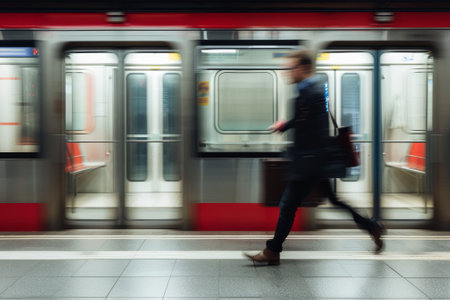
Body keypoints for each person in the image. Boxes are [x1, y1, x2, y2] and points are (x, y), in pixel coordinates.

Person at [245, 50, 385, 266]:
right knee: (334, 201)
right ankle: (372, 226)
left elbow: (309, 126)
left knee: (287, 205)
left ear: (303, 68)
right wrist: (286, 125)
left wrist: (289, 128)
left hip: (310, 162)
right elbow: (304, 119)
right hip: (314, 161)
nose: (287, 73)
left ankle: (272, 250)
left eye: (290, 68)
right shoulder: (312, 91)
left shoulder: (314, 92)